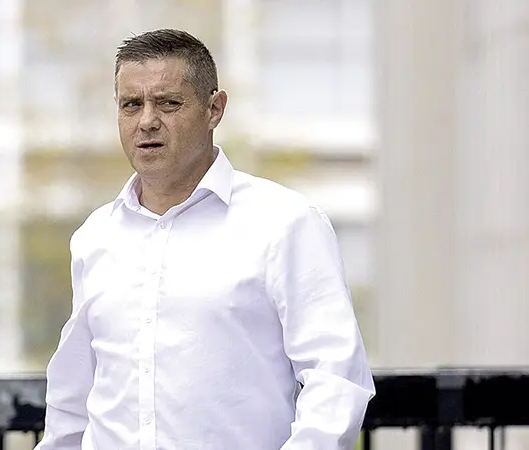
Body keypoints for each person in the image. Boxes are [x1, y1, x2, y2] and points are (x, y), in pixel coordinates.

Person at [34, 28, 375, 450]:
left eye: (168, 103)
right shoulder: (95, 236)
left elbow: (336, 377)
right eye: (131, 104)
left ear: (215, 109)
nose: (147, 121)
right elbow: (73, 395)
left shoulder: (285, 223)